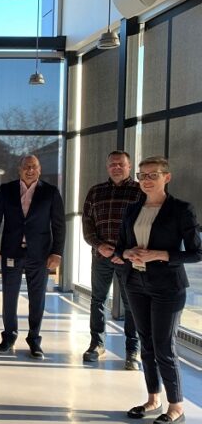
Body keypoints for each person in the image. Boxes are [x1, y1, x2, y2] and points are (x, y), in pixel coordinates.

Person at [116, 156, 200, 424]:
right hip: (135, 282)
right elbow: (120, 247)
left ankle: (176, 406)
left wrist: (159, 254)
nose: (147, 180)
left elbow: (196, 252)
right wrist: (127, 252)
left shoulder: (181, 210)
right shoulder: (132, 210)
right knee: (147, 344)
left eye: (153, 175)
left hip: (168, 287)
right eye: (142, 175)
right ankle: (153, 399)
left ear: (167, 177)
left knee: (164, 346)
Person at [0, 154, 65, 360]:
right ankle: (9, 337)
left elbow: (58, 225)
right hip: (11, 251)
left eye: (34, 167)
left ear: (39, 170)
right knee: (9, 296)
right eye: (26, 167)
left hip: (40, 254)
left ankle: (34, 339)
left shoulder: (50, 192)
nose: (30, 170)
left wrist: (57, 253)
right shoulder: (7, 189)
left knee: (37, 298)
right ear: (19, 169)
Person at [81, 150, 143, 368]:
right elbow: (87, 224)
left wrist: (123, 252)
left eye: (120, 164)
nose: (116, 167)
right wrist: (99, 245)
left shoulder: (140, 191)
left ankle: (132, 351)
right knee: (97, 300)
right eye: (112, 164)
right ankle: (97, 344)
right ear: (107, 167)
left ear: (129, 166)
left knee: (132, 304)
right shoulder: (95, 192)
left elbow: (145, 225)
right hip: (101, 256)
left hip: (129, 259)